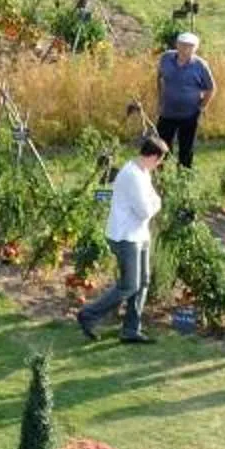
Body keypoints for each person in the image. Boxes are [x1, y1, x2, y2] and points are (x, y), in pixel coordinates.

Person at [76, 135, 168, 345]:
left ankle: (131, 330)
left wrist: (154, 203)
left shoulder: (143, 172)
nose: (159, 165)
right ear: (152, 156)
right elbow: (146, 209)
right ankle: (88, 315)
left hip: (140, 234)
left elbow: (153, 200)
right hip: (126, 237)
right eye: (159, 160)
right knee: (129, 285)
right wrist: (155, 204)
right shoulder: (132, 175)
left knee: (143, 282)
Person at [155, 30, 216, 169]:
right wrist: (160, 99)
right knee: (161, 145)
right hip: (167, 111)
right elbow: (159, 77)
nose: (185, 49)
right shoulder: (166, 58)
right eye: (182, 45)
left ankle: (183, 176)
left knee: (186, 148)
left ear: (196, 48)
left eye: (190, 46)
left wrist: (201, 107)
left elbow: (211, 88)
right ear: (177, 45)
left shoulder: (200, 65)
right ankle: (160, 174)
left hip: (189, 114)